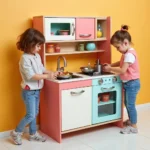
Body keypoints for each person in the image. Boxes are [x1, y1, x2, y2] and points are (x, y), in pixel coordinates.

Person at [10, 28, 58, 145]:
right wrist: (47, 77)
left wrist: (51, 72)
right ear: (29, 44)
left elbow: (41, 69)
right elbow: (31, 76)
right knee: (31, 114)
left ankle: (32, 133)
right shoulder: (24, 59)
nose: (39, 48)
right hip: (29, 91)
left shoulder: (36, 56)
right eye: (38, 46)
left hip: (36, 90)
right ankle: (16, 132)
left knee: (34, 113)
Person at [103, 25, 140, 134]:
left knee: (130, 105)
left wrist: (110, 68)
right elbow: (120, 64)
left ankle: (134, 127)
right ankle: (131, 120)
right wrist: (111, 65)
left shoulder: (129, 55)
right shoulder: (127, 53)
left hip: (132, 83)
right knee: (127, 104)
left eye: (117, 47)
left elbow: (123, 70)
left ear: (125, 42)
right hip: (129, 83)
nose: (117, 50)